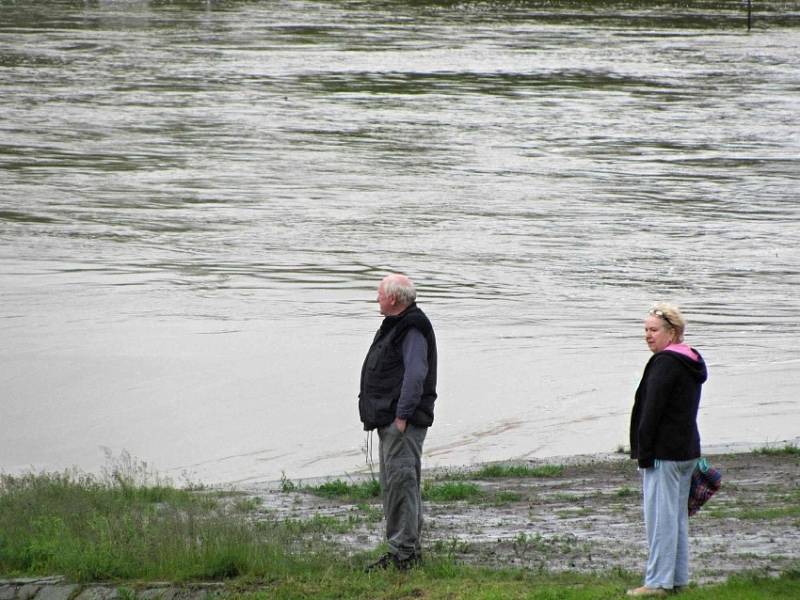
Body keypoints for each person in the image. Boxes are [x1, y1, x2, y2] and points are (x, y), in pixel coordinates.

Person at [628, 303, 708, 597]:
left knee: (661, 519)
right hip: (686, 450)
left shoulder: (665, 362)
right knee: (675, 518)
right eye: (645, 330)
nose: (647, 336)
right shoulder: (691, 359)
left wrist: (643, 452)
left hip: (664, 453)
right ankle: (677, 579)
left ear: (672, 333)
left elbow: (652, 410)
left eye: (653, 330)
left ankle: (658, 583)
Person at [359, 273, 437, 572]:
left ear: (393, 298)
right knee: (395, 484)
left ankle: (403, 554)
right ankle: (406, 549)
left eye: (379, 293)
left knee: (401, 483)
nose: (376, 298)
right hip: (390, 419)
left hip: (402, 422)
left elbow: (416, 375)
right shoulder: (398, 324)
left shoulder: (412, 327)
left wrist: (402, 416)